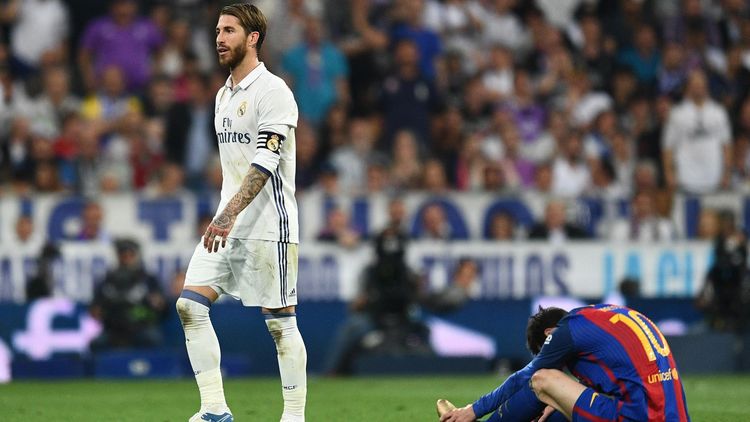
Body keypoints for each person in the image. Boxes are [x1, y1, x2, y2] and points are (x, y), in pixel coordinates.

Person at [175, 4, 306, 422]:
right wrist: (225, 214)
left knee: (280, 324)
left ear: (252, 38)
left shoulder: (274, 92)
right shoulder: (222, 96)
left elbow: (264, 164)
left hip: (270, 225)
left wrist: (228, 214)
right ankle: (214, 409)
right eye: (217, 30)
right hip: (227, 222)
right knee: (189, 306)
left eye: (229, 30)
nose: (219, 38)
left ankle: (294, 416)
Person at [438, 305, 690, 422]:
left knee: (542, 379)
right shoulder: (607, 317)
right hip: (672, 415)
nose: (563, 368)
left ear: (550, 334)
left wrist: (473, 410)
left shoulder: (566, 331)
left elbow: (525, 377)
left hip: (637, 417)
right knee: (555, 410)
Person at [90, 239, 167, 349]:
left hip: (141, 327)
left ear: (136, 256)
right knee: (96, 344)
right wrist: (100, 310)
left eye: (130, 255)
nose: (127, 259)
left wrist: (157, 303)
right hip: (113, 329)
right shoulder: (108, 280)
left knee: (153, 339)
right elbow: (95, 309)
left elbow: (162, 306)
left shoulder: (148, 280)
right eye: (123, 256)